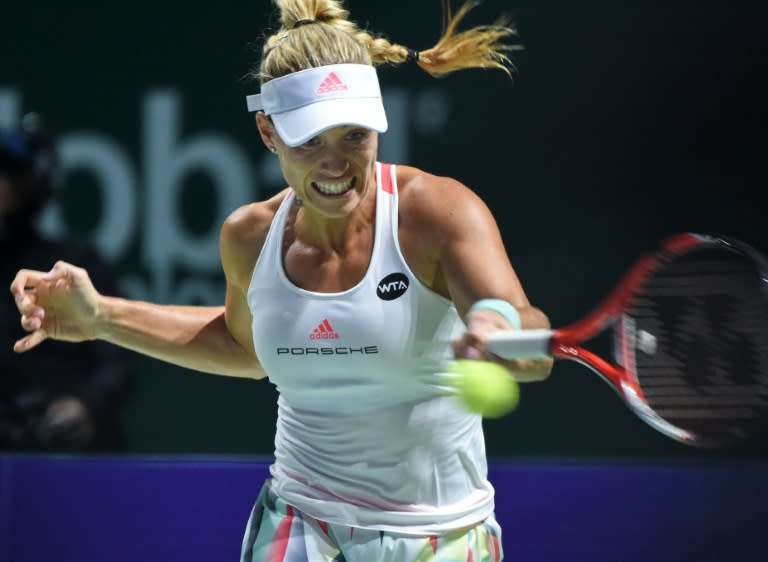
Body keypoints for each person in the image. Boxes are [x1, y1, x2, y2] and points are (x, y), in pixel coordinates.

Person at [10, 0, 552, 559]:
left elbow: (531, 337)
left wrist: (500, 327)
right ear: (267, 132)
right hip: (299, 524)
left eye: (354, 136)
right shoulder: (248, 236)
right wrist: (101, 317)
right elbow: (247, 348)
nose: (336, 163)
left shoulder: (440, 213)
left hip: (440, 532)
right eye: (310, 141)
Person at [1, 113, 133, 452]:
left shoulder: (73, 266)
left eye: (6, 173)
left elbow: (118, 361)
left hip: (67, 457)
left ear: (30, 183)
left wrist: (86, 406)